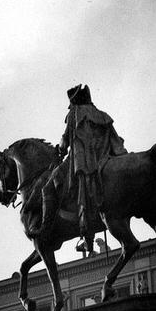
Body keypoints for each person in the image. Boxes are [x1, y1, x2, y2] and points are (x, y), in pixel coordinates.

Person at [57, 84, 126, 253]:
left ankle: (80, 225)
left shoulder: (74, 114)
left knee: (60, 182)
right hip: (104, 157)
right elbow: (115, 139)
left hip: (85, 161)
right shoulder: (102, 115)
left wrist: (60, 149)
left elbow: (65, 140)